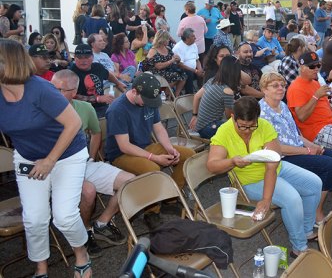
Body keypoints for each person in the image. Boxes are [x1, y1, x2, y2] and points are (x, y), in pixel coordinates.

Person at [0, 39, 92, 278]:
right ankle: (41, 268)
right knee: (34, 218)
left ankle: (81, 253)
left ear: (9, 63)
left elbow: (74, 123)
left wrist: (50, 160)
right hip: (29, 157)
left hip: (67, 154)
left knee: (64, 215)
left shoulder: (40, 89)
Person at [207, 96, 322, 256]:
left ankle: (306, 230)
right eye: (242, 126)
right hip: (249, 180)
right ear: (233, 117)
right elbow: (212, 164)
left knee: (314, 183)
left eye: (252, 126)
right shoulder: (224, 130)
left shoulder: (264, 126)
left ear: (257, 119)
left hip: (274, 170)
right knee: (292, 199)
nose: (247, 130)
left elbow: (272, 166)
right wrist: (232, 161)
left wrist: (266, 199)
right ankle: (299, 247)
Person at [51, 70, 131, 257]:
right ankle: (85, 231)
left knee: (131, 182)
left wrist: (92, 157)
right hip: (55, 168)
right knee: (88, 191)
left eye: (59, 89)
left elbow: (96, 133)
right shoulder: (44, 110)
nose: (52, 92)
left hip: (82, 162)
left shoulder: (84, 108)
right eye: (51, 88)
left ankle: (101, 223)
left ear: (73, 91)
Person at [104, 73, 194, 230]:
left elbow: (158, 127)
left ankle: (170, 199)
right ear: (134, 91)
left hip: (144, 146)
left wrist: (169, 148)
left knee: (189, 156)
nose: (149, 104)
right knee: (152, 168)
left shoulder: (148, 100)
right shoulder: (117, 109)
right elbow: (124, 146)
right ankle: (151, 212)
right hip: (121, 155)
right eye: (145, 100)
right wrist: (153, 157)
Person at [259, 72, 332, 224]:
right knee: (329, 165)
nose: (281, 89)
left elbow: (295, 134)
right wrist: (307, 151)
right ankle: (316, 211)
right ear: (264, 90)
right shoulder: (262, 112)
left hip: (298, 148)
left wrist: (312, 145)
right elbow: (277, 148)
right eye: (275, 86)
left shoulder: (282, 106)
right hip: (284, 157)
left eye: (282, 85)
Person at [189, 56, 239, 138]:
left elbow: (197, 96)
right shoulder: (227, 91)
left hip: (200, 126)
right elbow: (229, 116)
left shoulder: (212, 80)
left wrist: (194, 115)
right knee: (241, 126)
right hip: (209, 128)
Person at [70, 44, 125, 118]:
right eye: (79, 57)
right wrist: (98, 98)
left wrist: (118, 83)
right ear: (74, 57)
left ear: (92, 57)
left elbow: (108, 75)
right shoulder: (71, 73)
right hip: (82, 110)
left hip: (101, 107)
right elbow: (71, 96)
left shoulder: (98, 67)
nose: (83, 60)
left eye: (86, 57)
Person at [144, 30, 187, 97]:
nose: (169, 40)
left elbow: (173, 59)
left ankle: (176, 94)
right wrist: (171, 61)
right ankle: (166, 93)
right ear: (162, 39)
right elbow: (158, 66)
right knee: (176, 75)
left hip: (167, 70)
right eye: (167, 39)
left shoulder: (167, 48)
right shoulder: (153, 50)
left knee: (183, 74)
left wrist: (178, 59)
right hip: (157, 72)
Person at [172, 29, 204, 94]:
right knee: (189, 74)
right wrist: (195, 71)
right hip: (182, 69)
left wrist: (200, 69)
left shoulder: (194, 45)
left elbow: (197, 60)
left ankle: (203, 93)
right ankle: (190, 94)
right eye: (193, 36)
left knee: (206, 72)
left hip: (194, 70)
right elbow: (180, 65)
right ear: (187, 38)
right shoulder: (178, 47)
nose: (195, 38)